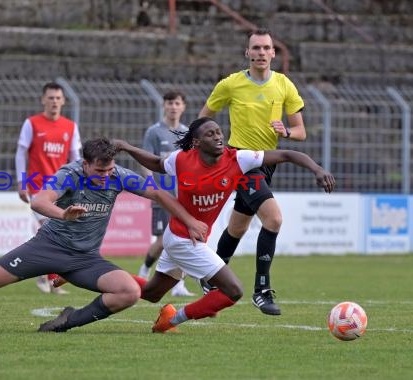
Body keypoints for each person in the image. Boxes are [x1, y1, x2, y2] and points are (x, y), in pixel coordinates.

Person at [0, 138, 208, 333]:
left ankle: (66, 322)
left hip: (84, 259)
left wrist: (190, 220)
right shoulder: (69, 174)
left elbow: (160, 195)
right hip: (48, 247)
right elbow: (40, 200)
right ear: (84, 163)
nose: (105, 176)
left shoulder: (119, 176)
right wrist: (63, 214)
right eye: (99, 170)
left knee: (126, 292)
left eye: (109, 170)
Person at [113, 117, 334, 332]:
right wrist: (126, 147)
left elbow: (286, 154)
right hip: (183, 239)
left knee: (152, 293)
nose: (218, 137)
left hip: (188, 237)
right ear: (197, 142)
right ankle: (171, 320)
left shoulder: (239, 159)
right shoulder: (181, 159)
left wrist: (318, 169)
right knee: (233, 290)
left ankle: (104, 277)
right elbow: (156, 163)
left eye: (219, 132)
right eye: (210, 134)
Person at [198, 28, 307, 315]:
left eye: (265, 48)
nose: (260, 53)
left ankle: (210, 276)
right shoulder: (231, 84)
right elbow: (202, 119)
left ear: (273, 53)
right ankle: (262, 290)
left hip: (267, 163)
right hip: (240, 162)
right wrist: (204, 147)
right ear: (247, 53)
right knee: (273, 219)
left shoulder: (284, 85)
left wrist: (287, 131)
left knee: (238, 227)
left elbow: (300, 132)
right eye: (255, 48)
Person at [15, 81, 82, 295]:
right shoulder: (32, 123)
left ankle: (49, 278)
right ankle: (47, 277)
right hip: (37, 189)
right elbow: (21, 152)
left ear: (63, 100)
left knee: (57, 231)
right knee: (48, 227)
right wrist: (21, 180)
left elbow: (76, 158)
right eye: (50, 97)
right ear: (43, 99)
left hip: (61, 189)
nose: (54, 101)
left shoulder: (70, 127)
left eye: (57, 98)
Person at [138, 89, 195, 297]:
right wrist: (152, 184)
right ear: (164, 106)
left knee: (184, 238)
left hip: (183, 195)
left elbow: (191, 162)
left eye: (177, 103)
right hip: (162, 195)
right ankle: (144, 269)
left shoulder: (187, 133)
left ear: (183, 106)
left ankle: (178, 285)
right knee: (163, 240)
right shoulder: (154, 132)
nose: (173, 107)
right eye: (169, 103)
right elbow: (146, 160)